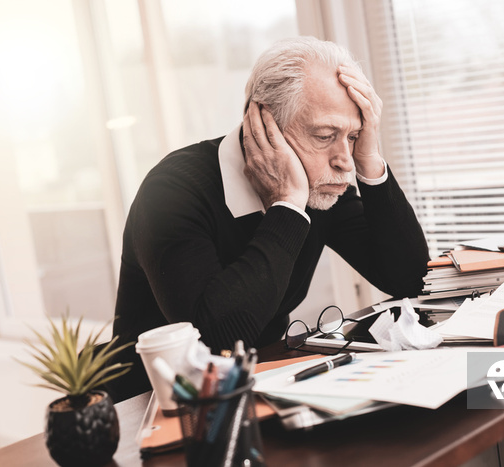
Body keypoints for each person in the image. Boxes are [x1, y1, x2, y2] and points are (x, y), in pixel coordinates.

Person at [107, 36, 429, 402]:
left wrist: (370, 159)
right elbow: (217, 339)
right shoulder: (172, 191)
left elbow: (410, 277)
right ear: (261, 123)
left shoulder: (327, 180)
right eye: (325, 135)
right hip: (154, 408)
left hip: (257, 389)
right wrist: (288, 204)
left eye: (353, 136)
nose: (345, 160)